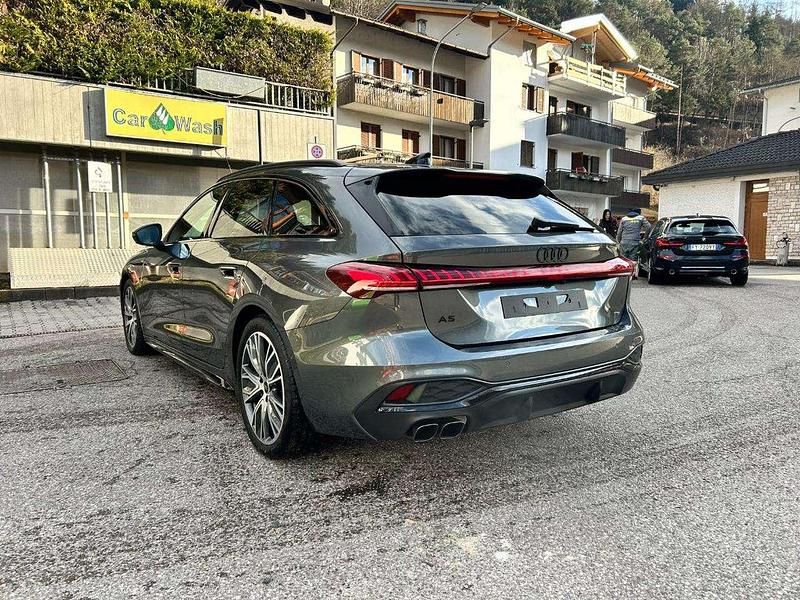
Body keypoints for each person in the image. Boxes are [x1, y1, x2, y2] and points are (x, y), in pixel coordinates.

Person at [616, 208, 651, 278]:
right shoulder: (641, 218)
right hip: (634, 242)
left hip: (624, 242)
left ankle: (624, 275)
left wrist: (618, 241)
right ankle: (632, 275)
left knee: (624, 259)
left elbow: (619, 232)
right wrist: (644, 238)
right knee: (633, 259)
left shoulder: (624, 219)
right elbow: (649, 227)